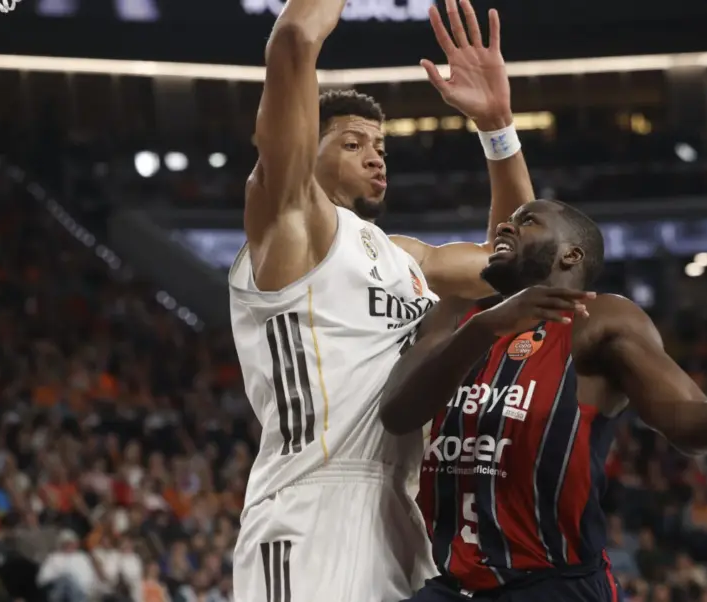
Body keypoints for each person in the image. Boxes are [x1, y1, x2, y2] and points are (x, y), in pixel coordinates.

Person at [379, 199, 707, 601]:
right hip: (453, 584)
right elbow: (398, 412)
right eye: (506, 222)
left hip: (552, 585)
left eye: (526, 222)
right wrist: (488, 325)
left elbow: (691, 420)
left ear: (569, 256)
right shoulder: (460, 320)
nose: (504, 229)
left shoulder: (601, 320)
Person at [228, 0, 535, 600]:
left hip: (405, 513)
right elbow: (293, 39)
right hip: (311, 507)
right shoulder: (289, 228)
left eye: (380, 147)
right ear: (305, 150)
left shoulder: (407, 258)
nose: (374, 155)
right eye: (350, 143)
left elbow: (517, 266)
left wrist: (497, 127)